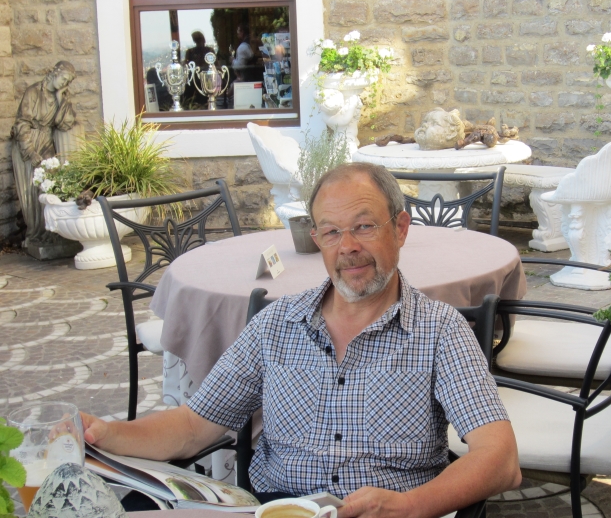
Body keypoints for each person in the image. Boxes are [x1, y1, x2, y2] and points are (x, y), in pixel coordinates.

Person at [80, 163, 521, 518]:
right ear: (317, 240)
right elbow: (194, 427)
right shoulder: (276, 324)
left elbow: (500, 459)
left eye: (364, 226)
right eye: (331, 232)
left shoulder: (440, 331)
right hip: (281, 508)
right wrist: (107, 432)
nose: (347, 246)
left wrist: (411, 507)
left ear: (400, 229)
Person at [11, 60, 79, 246]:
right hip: (29, 140)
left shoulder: (61, 96)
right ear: (55, 73)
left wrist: (60, 98)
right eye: (63, 79)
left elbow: (65, 123)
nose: (65, 84)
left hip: (47, 141)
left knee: (50, 186)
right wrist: (30, 151)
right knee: (32, 191)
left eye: (68, 82)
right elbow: (21, 124)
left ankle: (52, 232)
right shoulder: (33, 92)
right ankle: (35, 233)